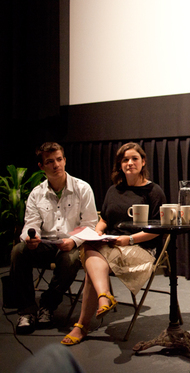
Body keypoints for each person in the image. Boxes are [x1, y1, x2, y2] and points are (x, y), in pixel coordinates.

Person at [61, 142, 166, 345]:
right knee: (89, 246)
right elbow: (105, 220)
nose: (129, 163)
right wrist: (97, 231)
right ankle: (103, 296)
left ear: (143, 162)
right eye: (125, 159)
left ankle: (83, 323)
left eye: (134, 158)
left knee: (93, 265)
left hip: (140, 247)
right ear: (120, 165)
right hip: (111, 244)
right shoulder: (113, 190)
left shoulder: (154, 192)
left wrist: (130, 239)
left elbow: (158, 230)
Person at [10, 142, 98, 334]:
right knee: (18, 251)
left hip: (71, 243)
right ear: (41, 166)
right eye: (50, 161)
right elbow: (31, 223)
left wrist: (74, 241)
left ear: (65, 160)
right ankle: (27, 311)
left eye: (59, 159)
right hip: (46, 242)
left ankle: (47, 306)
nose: (56, 165)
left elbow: (91, 225)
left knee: (71, 259)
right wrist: (30, 238)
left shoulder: (82, 188)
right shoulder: (36, 194)